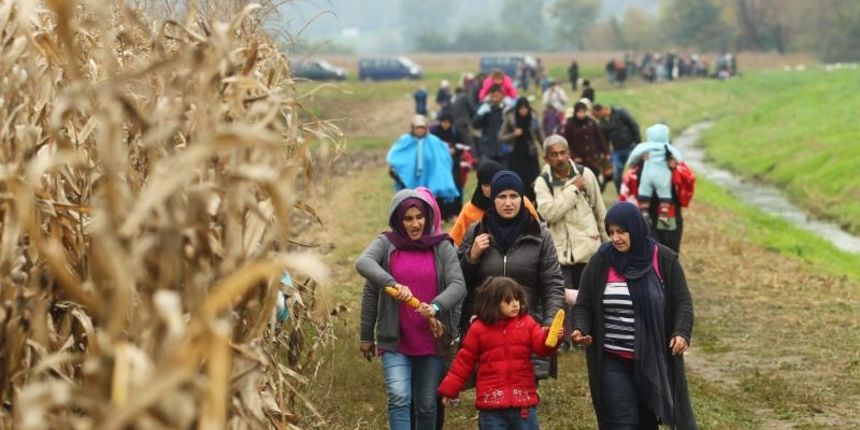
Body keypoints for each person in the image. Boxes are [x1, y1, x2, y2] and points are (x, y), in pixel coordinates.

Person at [572, 201, 697, 430]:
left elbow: (682, 303)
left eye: (621, 231)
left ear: (636, 228)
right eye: (610, 232)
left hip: (652, 358)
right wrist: (580, 327)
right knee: (622, 422)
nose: (615, 238)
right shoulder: (601, 261)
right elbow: (584, 304)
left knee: (646, 423)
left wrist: (681, 333)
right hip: (613, 359)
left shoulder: (664, 260)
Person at [356, 189, 468, 430]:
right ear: (398, 219)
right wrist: (392, 285)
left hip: (431, 339)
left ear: (428, 217)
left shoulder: (442, 246)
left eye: (419, 217)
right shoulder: (386, 244)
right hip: (395, 339)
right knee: (398, 397)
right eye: (408, 218)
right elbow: (363, 264)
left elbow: (459, 286)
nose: (415, 223)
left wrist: (436, 306)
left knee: (427, 405)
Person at [458, 171, 565, 379]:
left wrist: (549, 323)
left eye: (514, 196)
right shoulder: (476, 231)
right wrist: (472, 256)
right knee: (491, 398)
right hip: (485, 329)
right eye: (502, 197)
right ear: (493, 199)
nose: (508, 203)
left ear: (522, 198)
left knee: (524, 402)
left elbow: (552, 283)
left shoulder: (539, 234)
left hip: (527, 328)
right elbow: (458, 283)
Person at [438, 277, 563, 430]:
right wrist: (449, 389)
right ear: (493, 303)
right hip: (491, 408)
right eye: (508, 301)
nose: (515, 304)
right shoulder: (478, 329)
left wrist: (552, 338)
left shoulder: (527, 323)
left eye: (517, 299)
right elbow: (464, 362)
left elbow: (542, 348)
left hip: (523, 404)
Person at [534, 135, 607, 350]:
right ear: (546, 158)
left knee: (589, 294)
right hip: (559, 250)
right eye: (554, 154)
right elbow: (549, 213)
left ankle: (586, 335)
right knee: (560, 296)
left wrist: (607, 243)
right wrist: (573, 189)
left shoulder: (586, 174)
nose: (559, 158)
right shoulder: (542, 182)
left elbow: (599, 211)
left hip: (588, 245)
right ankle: (563, 339)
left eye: (562, 153)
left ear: (569, 153)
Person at [449, 161, 539, 247]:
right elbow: (455, 241)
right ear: (480, 186)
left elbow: (537, 229)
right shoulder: (470, 209)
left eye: (494, 183)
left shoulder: (521, 202)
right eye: (486, 185)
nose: (491, 188)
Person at [387, 115, 460, 207]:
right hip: (410, 176)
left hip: (429, 175)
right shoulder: (405, 140)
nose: (420, 130)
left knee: (428, 198)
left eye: (422, 128)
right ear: (413, 128)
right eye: (417, 128)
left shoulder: (433, 141)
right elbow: (396, 155)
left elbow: (442, 153)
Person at [626, 124, 684, 230]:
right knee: (665, 192)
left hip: (647, 174)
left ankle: (644, 212)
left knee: (644, 191)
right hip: (663, 176)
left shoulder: (644, 147)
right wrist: (675, 163)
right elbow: (680, 159)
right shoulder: (668, 148)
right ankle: (663, 214)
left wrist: (633, 164)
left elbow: (632, 159)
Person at [499, 97, 544, 203]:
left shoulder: (533, 118)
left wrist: (545, 148)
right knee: (519, 182)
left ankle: (536, 207)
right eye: (521, 108)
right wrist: (514, 134)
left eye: (525, 108)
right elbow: (501, 137)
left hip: (530, 155)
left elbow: (540, 135)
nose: (523, 111)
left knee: (535, 182)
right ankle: (522, 204)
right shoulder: (510, 118)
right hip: (516, 156)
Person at [592, 104, 641, 194]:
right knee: (617, 174)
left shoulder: (620, 113)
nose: (597, 118)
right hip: (617, 150)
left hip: (630, 146)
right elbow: (604, 140)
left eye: (596, 115)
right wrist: (606, 153)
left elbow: (633, 125)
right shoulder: (602, 124)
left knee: (635, 172)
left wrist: (637, 143)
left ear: (601, 110)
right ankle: (621, 194)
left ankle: (636, 193)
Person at [430, 112, 465, 221]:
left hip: (454, 165)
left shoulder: (455, 133)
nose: (446, 125)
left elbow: (462, 146)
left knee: (456, 187)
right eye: (444, 122)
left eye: (448, 123)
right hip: (440, 166)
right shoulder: (435, 133)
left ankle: (455, 213)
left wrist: (454, 149)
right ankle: (441, 215)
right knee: (441, 189)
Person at [562, 101, 608, 181]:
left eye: (583, 112)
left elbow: (599, 137)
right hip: (579, 159)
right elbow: (567, 142)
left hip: (593, 157)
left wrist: (605, 152)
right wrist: (573, 156)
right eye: (579, 112)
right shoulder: (570, 124)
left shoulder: (591, 122)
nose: (581, 114)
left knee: (595, 178)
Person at [472, 84, 508, 164]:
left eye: (496, 96)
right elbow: (475, 125)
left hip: (503, 148)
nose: (494, 99)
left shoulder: (506, 110)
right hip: (488, 148)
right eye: (492, 96)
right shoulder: (485, 109)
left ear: (502, 96)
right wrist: (480, 114)